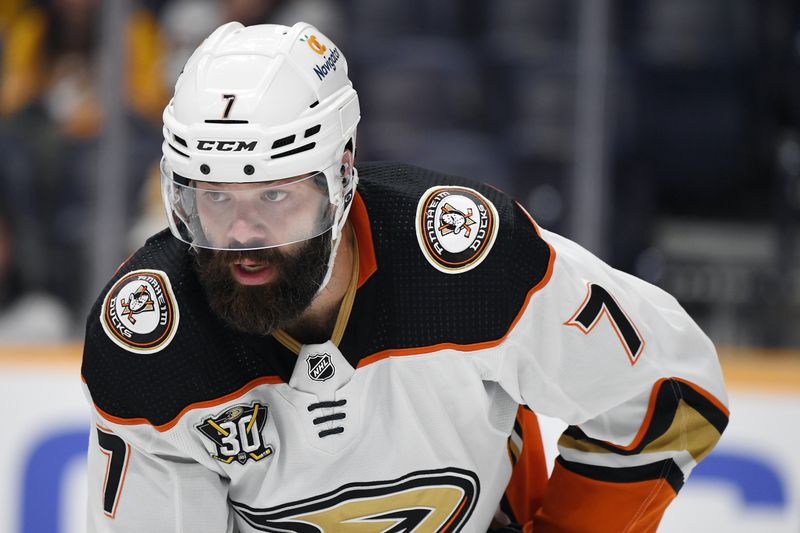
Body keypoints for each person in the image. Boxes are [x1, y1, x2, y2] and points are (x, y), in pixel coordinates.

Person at [81, 21, 729, 532]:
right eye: (215, 199)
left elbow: (669, 384)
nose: (242, 237)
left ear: (341, 174)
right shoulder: (152, 341)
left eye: (274, 197)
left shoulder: (469, 262)